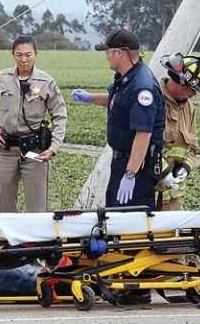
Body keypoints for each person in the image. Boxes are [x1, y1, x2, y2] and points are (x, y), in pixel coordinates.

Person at [70, 28, 165, 209]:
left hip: (138, 166)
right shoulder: (127, 79)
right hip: (123, 162)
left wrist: (130, 174)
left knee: (130, 220)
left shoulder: (141, 87)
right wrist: (90, 97)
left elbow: (143, 133)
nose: (106, 56)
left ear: (119, 53)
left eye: (108, 52)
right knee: (115, 214)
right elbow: (118, 102)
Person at [0, 34, 67, 212]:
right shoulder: (2, 78)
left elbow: (60, 116)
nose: (24, 59)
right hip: (6, 151)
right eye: (19, 55)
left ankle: (35, 241)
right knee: (5, 207)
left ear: (36, 54)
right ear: (12, 55)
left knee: (37, 208)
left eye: (28, 54)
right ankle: (8, 241)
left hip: (35, 152)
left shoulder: (46, 82)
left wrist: (53, 147)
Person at [155, 53, 200, 210]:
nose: (194, 94)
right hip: (149, 193)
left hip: (173, 195)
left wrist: (186, 167)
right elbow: (142, 146)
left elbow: (192, 147)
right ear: (181, 84)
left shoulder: (189, 107)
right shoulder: (154, 101)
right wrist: (164, 173)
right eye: (192, 90)